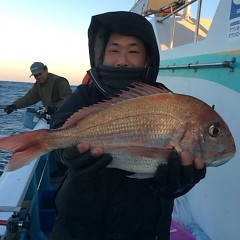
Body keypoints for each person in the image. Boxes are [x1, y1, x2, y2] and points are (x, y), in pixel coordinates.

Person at [50, 11, 206, 240]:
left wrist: (177, 184)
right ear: (100, 55)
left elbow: (172, 182)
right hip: (77, 226)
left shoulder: (167, 102)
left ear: (148, 59)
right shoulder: (84, 96)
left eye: (133, 51)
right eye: (114, 50)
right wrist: (67, 155)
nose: (122, 60)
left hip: (144, 229)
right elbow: (57, 135)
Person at [4, 62, 72, 115]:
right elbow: (28, 99)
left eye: (40, 74)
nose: (38, 77)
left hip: (64, 118)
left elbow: (69, 101)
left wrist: (55, 108)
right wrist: (14, 106)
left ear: (46, 70)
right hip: (51, 116)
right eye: (35, 76)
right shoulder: (38, 85)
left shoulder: (60, 82)